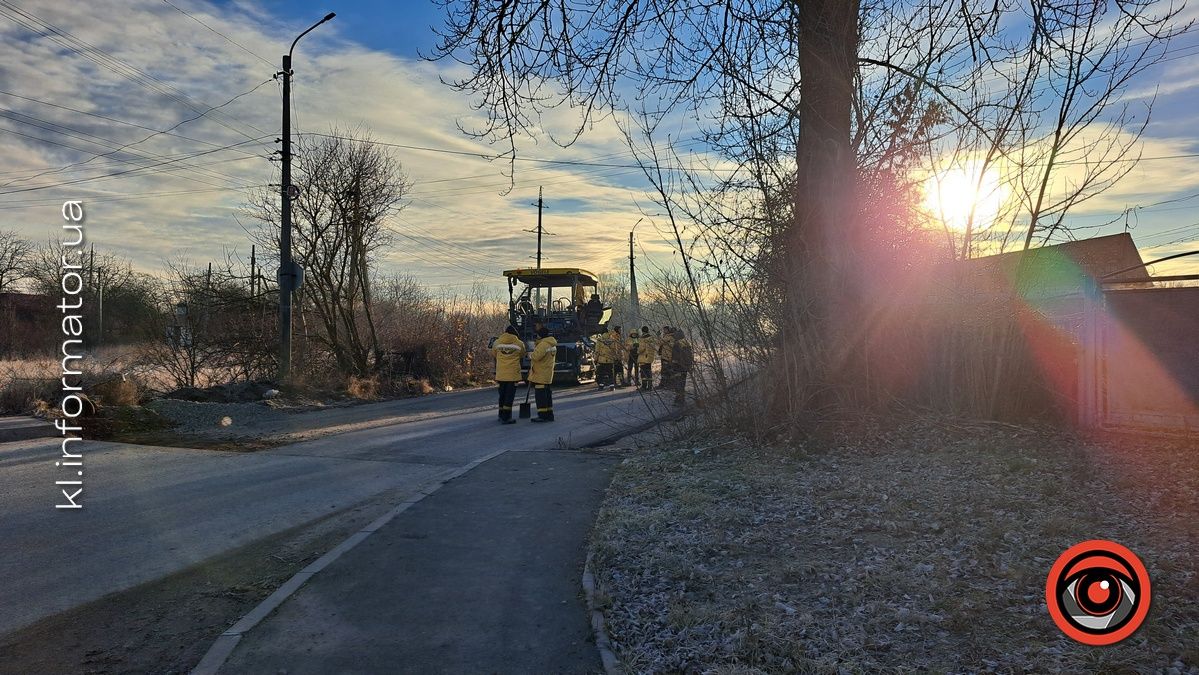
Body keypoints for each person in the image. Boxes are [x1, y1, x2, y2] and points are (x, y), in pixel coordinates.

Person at [490, 325, 525, 424]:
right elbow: (522, 354)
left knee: (502, 394)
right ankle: (506, 417)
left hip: (501, 374)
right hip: (512, 375)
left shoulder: (497, 343)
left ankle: (501, 415)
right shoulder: (519, 343)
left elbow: (494, 354)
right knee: (509, 396)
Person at [528, 325, 557, 422]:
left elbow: (535, 357)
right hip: (547, 373)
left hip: (540, 374)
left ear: (540, 335)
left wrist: (530, 353)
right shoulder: (552, 344)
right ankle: (549, 414)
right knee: (547, 395)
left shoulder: (543, 345)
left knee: (540, 396)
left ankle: (542, 415)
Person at [671, 328, 694, 406]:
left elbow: (675, 357)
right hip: (685, 367)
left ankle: (679, 400)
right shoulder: (686, 343)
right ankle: (681, 399)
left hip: (678, 367)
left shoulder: (677, 344)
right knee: (682, 383)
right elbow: (690, 355)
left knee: (678, 383)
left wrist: (673, 365)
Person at [636, 326, 655, 390]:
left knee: (643, 372)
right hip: (650, 357)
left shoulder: (642, 338)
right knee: (649, 371)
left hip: (643, 357)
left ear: (642, 331)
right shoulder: (651, 338)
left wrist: (637, 351)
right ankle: (650, 386)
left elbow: (641, 348)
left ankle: (644, 386)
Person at [658, 325, 675, 390]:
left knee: (665, 371)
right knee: (666, 370)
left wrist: (659, 336)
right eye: (664, 330)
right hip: (665, 356)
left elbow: (660, 342)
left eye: (665, 330)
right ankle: (667, 384)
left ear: (668, 330)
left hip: (667, 356)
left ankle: (665, 384)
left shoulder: (669, 337)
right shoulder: (667, 336)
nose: (664, 331)